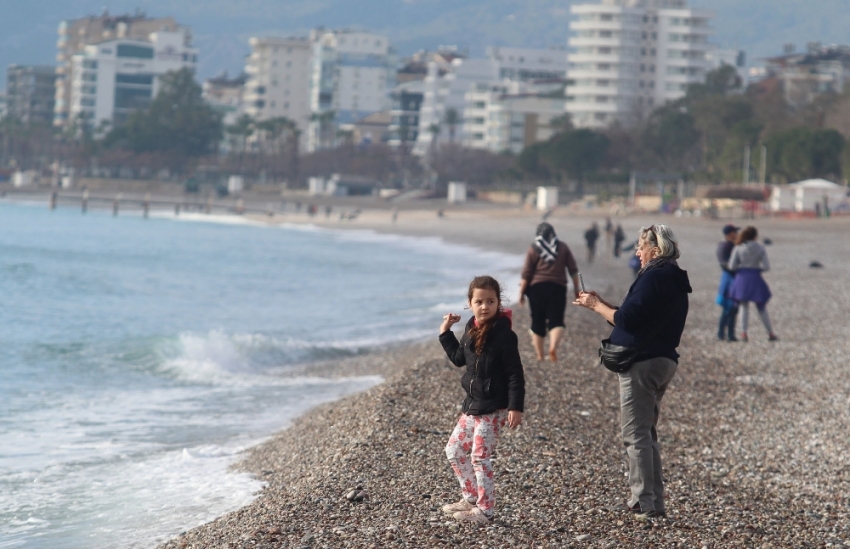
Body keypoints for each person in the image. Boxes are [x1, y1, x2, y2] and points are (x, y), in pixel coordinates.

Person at [573, 224, 691, 520]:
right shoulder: (672, 277)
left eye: (641, 247)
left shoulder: (654, 276)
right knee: (645, 433)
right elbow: (635, 319)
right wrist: (601, 305)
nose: (637, 253)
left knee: (636, 434)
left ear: (656, 249)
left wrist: (596, 305)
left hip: (644, 362)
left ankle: (644, 502)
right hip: (661, 360)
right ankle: (652, 502)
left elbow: (626, 318)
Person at [439, 276, 525, 524]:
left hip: (494, 408)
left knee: (479, 457)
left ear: (499, 303)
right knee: (453, 450)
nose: (485, 306)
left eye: (491, 301)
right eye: (479, 301)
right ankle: (471, 498)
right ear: (470, 303)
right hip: (473, 405)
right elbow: (458, 359)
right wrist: (445, 332)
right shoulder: (471, 328)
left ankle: (486, 511)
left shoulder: (505, 336)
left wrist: (515, 407)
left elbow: (515, 374)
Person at [518, 222, 581, 361]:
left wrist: (521, 293)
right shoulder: (562, 247)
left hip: (537, 289)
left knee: (537, 321)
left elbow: (526, 273)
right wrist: (577, 289)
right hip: (558, 288)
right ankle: (552, 348)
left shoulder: (533, 248)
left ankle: (540, 355)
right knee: (556, 320)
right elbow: (574, 270)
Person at [728, 226, 778, 342]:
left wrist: (742, 267)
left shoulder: (738, 248)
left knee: (743, 306)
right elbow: (766, 267)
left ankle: (744, 333)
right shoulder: (760, 248)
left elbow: (731, 266)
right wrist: (756, 268)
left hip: (742, 278)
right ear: (755, 236)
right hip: (755, 277)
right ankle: (770, 333)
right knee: (761, 307)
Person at [716, 224, 740, 341]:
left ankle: (730, 333)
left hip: (734, 278)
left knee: (734, 307)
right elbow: (724, 264)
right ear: (730, 233)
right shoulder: (724, 245)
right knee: (728, 306)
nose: (737, 234)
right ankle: (722, 333)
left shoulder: (732, 245)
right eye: (735, 232)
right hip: (729, 278)